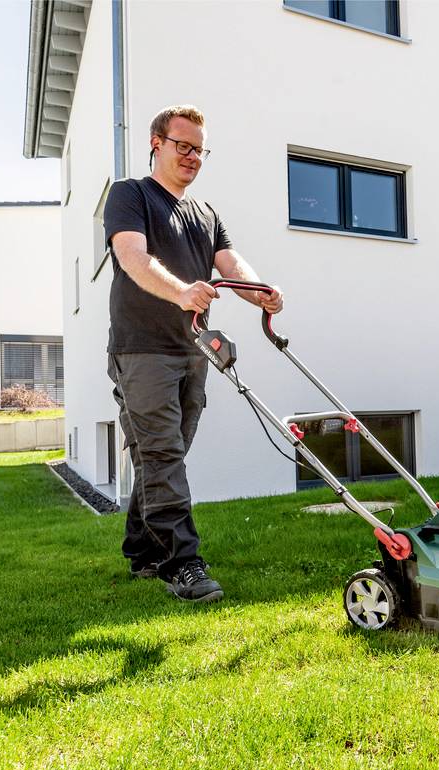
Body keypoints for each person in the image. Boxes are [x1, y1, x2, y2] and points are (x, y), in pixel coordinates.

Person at [103, 104, 283, 602]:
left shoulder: (205, 215)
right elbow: (132, 257)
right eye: (183, 146)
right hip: (141, 351)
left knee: (163, 454)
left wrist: (260, 290)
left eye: (200, 150)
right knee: (161, 454)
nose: (193, 157)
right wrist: (182, 291)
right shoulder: (130, 195)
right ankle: (183, 563)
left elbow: (230, 263)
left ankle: (141, 551)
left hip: (193, 349)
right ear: (156, 144)